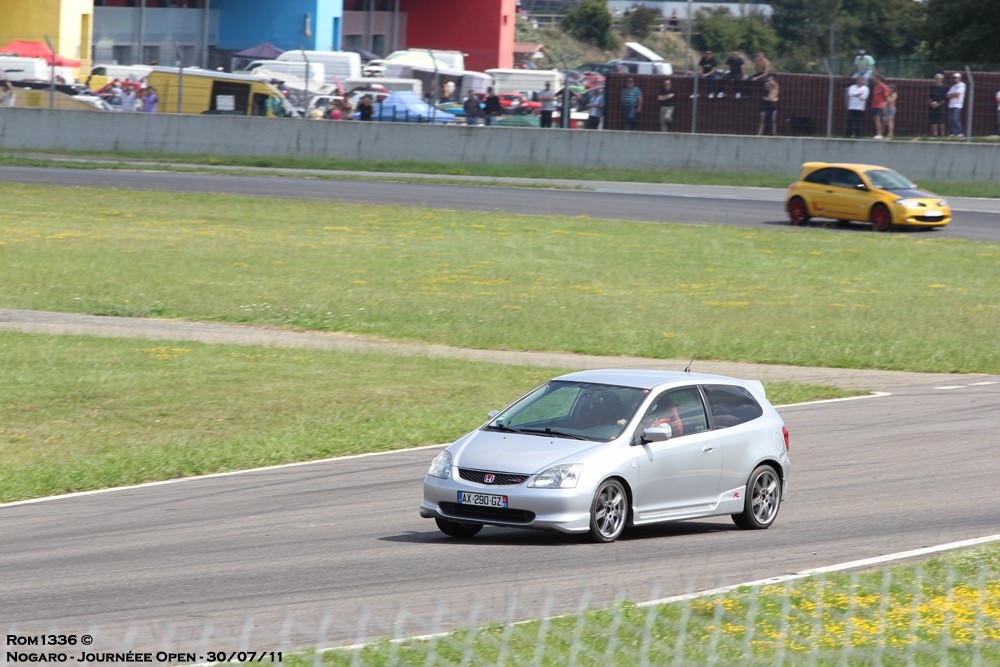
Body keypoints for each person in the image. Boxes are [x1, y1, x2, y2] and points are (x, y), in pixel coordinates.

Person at [947, 72, 966, 137]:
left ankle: (959, 132)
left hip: (957, 105)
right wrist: (953, 95)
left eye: (956, 77)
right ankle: (953, 132)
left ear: (960, 78)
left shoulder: (962, 85)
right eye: (954, 78)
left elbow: (957, 94)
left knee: (955, 118)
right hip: (951, 104)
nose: (955, 79)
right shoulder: (953, 86)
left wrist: (952, 95)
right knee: (951, 119)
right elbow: (947, 95)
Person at [928, 73, 947, 137]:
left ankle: (942, 133)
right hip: (933, 105)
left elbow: (944, 98)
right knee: (933, 120)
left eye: (939, 79)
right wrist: (931, 103)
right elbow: (930, 96)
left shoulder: (944, 87)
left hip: (941, 105)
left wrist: (938, 104)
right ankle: (935, 133)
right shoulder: (932, 87)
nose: (937, 80)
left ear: (942, 79)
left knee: (941, 120)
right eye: (936, 78)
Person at [870, 75, 889, 139]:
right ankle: (879, 134)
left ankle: (879, 134)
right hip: (874, 105)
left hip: (880, 106)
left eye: (875, 79)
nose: (874, 80)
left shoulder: (884, 87)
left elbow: (886, 97)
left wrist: (885, 106)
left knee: (879, 120)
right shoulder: (875, 87)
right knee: (876, 120)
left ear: (879, 80)